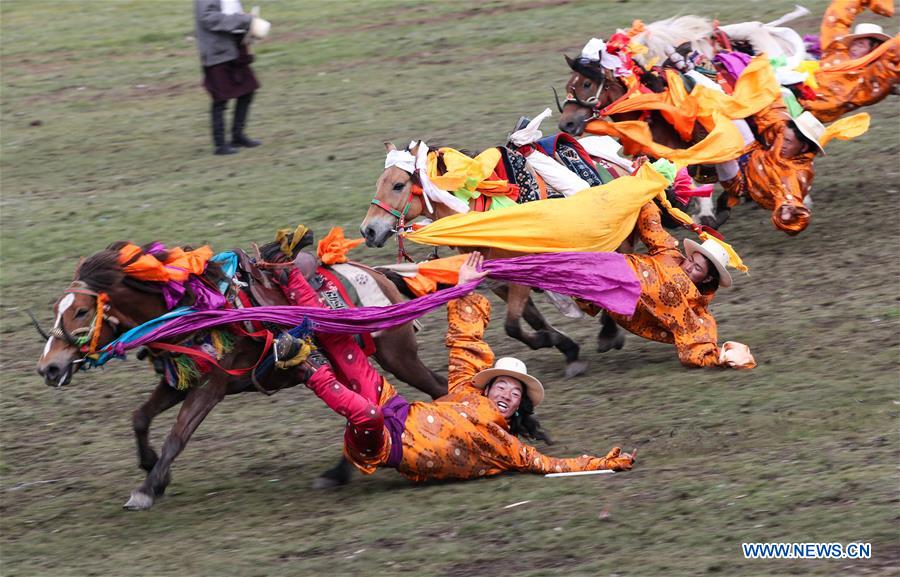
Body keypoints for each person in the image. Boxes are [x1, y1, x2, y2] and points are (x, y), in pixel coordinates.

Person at [276, 252, 635, 481]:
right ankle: (289, 278)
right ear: (488, 386)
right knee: (347, 351)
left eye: (514, 394)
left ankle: (306, 367)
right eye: (504, 387)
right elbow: (465, 337)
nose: (508, 394)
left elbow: (552, 465)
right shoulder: (466, 388)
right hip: (396, 406)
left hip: (385, 443)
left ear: (518, 408)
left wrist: (604, 462)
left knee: (366, 413)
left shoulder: (505, 446)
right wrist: (464, 287)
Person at [594, 201, 755, 369]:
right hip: (613, 274)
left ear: (707, 279)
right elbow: (653, 228)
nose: (688, 267)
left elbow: (700, 344)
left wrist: (722, 358)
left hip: (621, 299)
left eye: (697, 268)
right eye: (691, 260)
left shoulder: (694, 310)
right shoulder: (671, 254)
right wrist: (646, 197)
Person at [715, 104, 824, 235]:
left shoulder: (798, 172)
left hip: (741, 183)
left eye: (788, 141)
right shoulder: (785, 132)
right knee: (730, 113)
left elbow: (789, 192)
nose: (782, 143)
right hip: (750, 153)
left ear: (804, 147)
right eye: (783, 138)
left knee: (719, 148)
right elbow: (772, 117)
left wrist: (787, 210)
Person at [800, 0, 899, 122]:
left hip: (806, 118)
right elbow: (836, 19)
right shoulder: (837, 51)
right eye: (855, 43)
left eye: (861, 44)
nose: (855, 48)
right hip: (790, 94)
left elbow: (892, 59)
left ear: (873, 50)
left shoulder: (868, 80)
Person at [193, 0, 269, 155]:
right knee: (220, 98)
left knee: (248, 89)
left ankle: (237, 135)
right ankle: (220, 144)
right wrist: (242, 20)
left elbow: (229, 10)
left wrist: (247, 22)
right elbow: (208, 18)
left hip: (235, 47)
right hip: (217, 50)